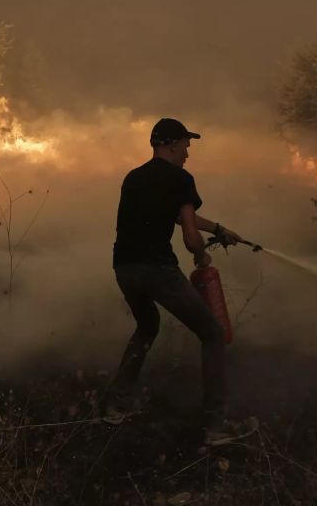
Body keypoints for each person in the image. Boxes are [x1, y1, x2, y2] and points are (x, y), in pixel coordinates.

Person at [103, 117, 258, 446]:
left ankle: (116, 407)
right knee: (213, 333)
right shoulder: (180, 178)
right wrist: (201, 256)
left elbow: (175, 214)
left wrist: (218, 229)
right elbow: (188, 234)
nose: (188, 151)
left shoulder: (134, 178)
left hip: (125, 269)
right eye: (185, 144)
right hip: (158, 270)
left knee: (147, 326)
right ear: (170, 144)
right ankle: (216, 426)